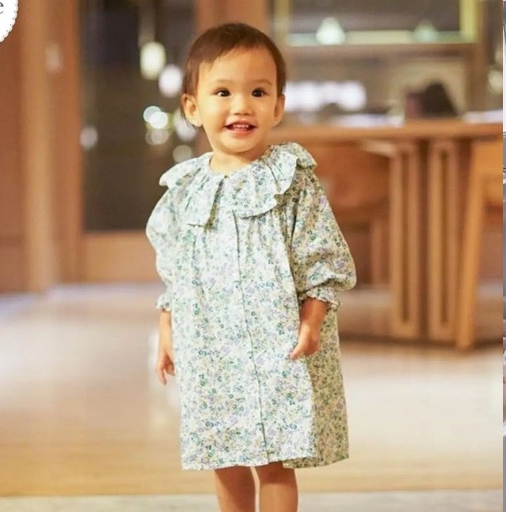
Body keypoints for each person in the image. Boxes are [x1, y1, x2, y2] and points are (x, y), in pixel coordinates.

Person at [146, 22, 357, 512]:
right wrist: (167, 326)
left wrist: (313, 317)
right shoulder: (184, 189)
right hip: (212, 349)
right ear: (193, 108)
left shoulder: (291, 179)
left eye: (258, 92)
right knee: (225, 456)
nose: (241, 106)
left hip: (274, 344)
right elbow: (175, 267)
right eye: (223, 92)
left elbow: (321, 256)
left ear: (277, 106)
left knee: (274, 457)